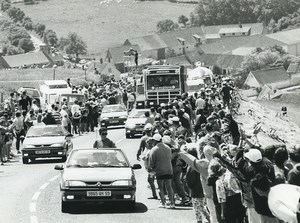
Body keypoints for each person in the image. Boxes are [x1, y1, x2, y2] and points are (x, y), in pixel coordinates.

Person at [149, 133, 175, 209]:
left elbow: (151, 162)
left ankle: (163, 203)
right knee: (169, 186)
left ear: (155, 141)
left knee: (161, 187)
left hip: (160, 170)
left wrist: (153, 168)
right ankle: (172, 203)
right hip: (169, 169)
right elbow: (170, 157)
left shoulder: (154, 149)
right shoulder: (168, 148)